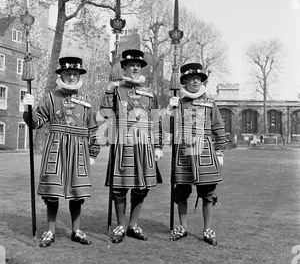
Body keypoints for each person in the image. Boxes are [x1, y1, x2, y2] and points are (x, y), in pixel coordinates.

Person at [23, 56, 100, 247]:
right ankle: (50, 231)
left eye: (75, 73)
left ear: (79, 75)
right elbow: (36, 123)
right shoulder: (50, 98)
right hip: (56, 148)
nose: (72, 77)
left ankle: (76, 230)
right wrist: (28, 108)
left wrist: (93, 152)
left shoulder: (87, 100)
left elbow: (93, 129)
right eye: (68, 73)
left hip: (79, 150)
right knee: (52, 192)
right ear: (62, 75)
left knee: (77, 193)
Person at [99, 49, 163, 244]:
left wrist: (158, 145)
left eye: (138, 65)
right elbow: (105, 113)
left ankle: (133, 224)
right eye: (131, 65)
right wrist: (109, 91)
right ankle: (119, 225)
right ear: (124, 68)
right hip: (123, 142)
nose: (135, 67)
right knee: (119, 187)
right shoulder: (116, 89)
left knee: (141, 188)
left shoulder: (150, 93)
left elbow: (155, 121)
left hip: (144, 144)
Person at [163, 63, 227, 246]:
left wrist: (220, 150)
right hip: (183, 150)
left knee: (207, 192)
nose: (196, 81)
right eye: (192, 79)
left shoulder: (210, 103)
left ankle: (207, 229)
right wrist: (168, 110)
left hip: (205, 150)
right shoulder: (178, 103)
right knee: (182, 191)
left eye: (198, 79)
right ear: (184, 81)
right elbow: (167, 128)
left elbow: (218, 127)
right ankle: (182, 227)